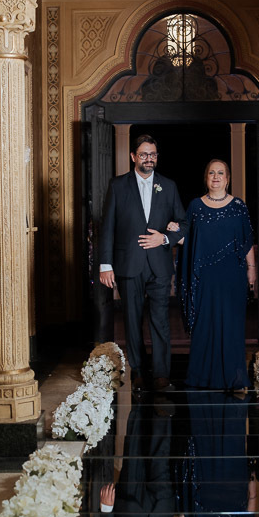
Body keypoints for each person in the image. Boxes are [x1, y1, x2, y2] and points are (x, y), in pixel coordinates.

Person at [99, 134, 187, 391]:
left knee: (160, 320)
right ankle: (138, 371)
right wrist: (106, 264)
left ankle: (161, 374)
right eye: (144, 154)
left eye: (153, 154)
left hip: (159, 266)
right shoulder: (118, 185)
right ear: (133, 157)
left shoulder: (168, 186)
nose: (149, 159)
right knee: (132, 320)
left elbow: (183, 224)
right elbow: (108, 228)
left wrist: (165, 238)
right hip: (128, 264)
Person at [177, 159, 256, 390]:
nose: (216, 176)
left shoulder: (239, 206)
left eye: (220, 173)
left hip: (233, 275)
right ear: (206, 178)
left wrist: (252, 269)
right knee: (205, 324)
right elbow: (187, 240)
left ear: (228, 179)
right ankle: (202, 377)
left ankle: (233, 377)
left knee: (231, 324)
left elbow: (247, 241)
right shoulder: (195, 207)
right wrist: (174, 231)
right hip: (205, 278)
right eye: (211, 172)